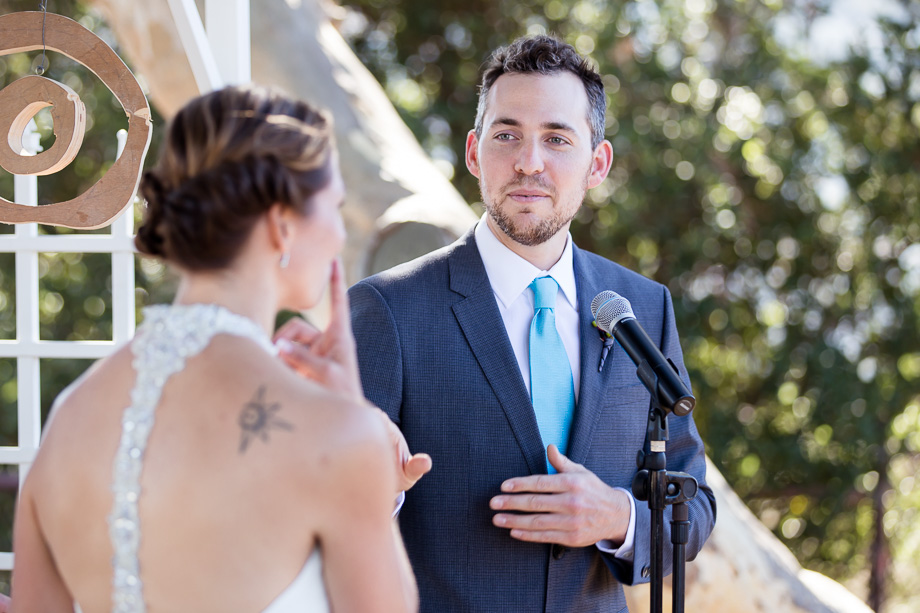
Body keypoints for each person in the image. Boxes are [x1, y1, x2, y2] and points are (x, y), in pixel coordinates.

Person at [10, 84, 428, 613]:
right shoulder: (337, 433)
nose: (340, 235)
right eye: (336, 208)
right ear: (281, 223)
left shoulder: (69, 417)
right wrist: (355, 419)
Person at [346, 35, 717, 612]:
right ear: (474, 152)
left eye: (556, 139)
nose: (529, 161)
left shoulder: (644, 308)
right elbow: (329, 503)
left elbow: (692, 503)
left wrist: (617, 516)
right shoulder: (386, 311)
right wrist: (374, 492)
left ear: (597, 163)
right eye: (507, 135)